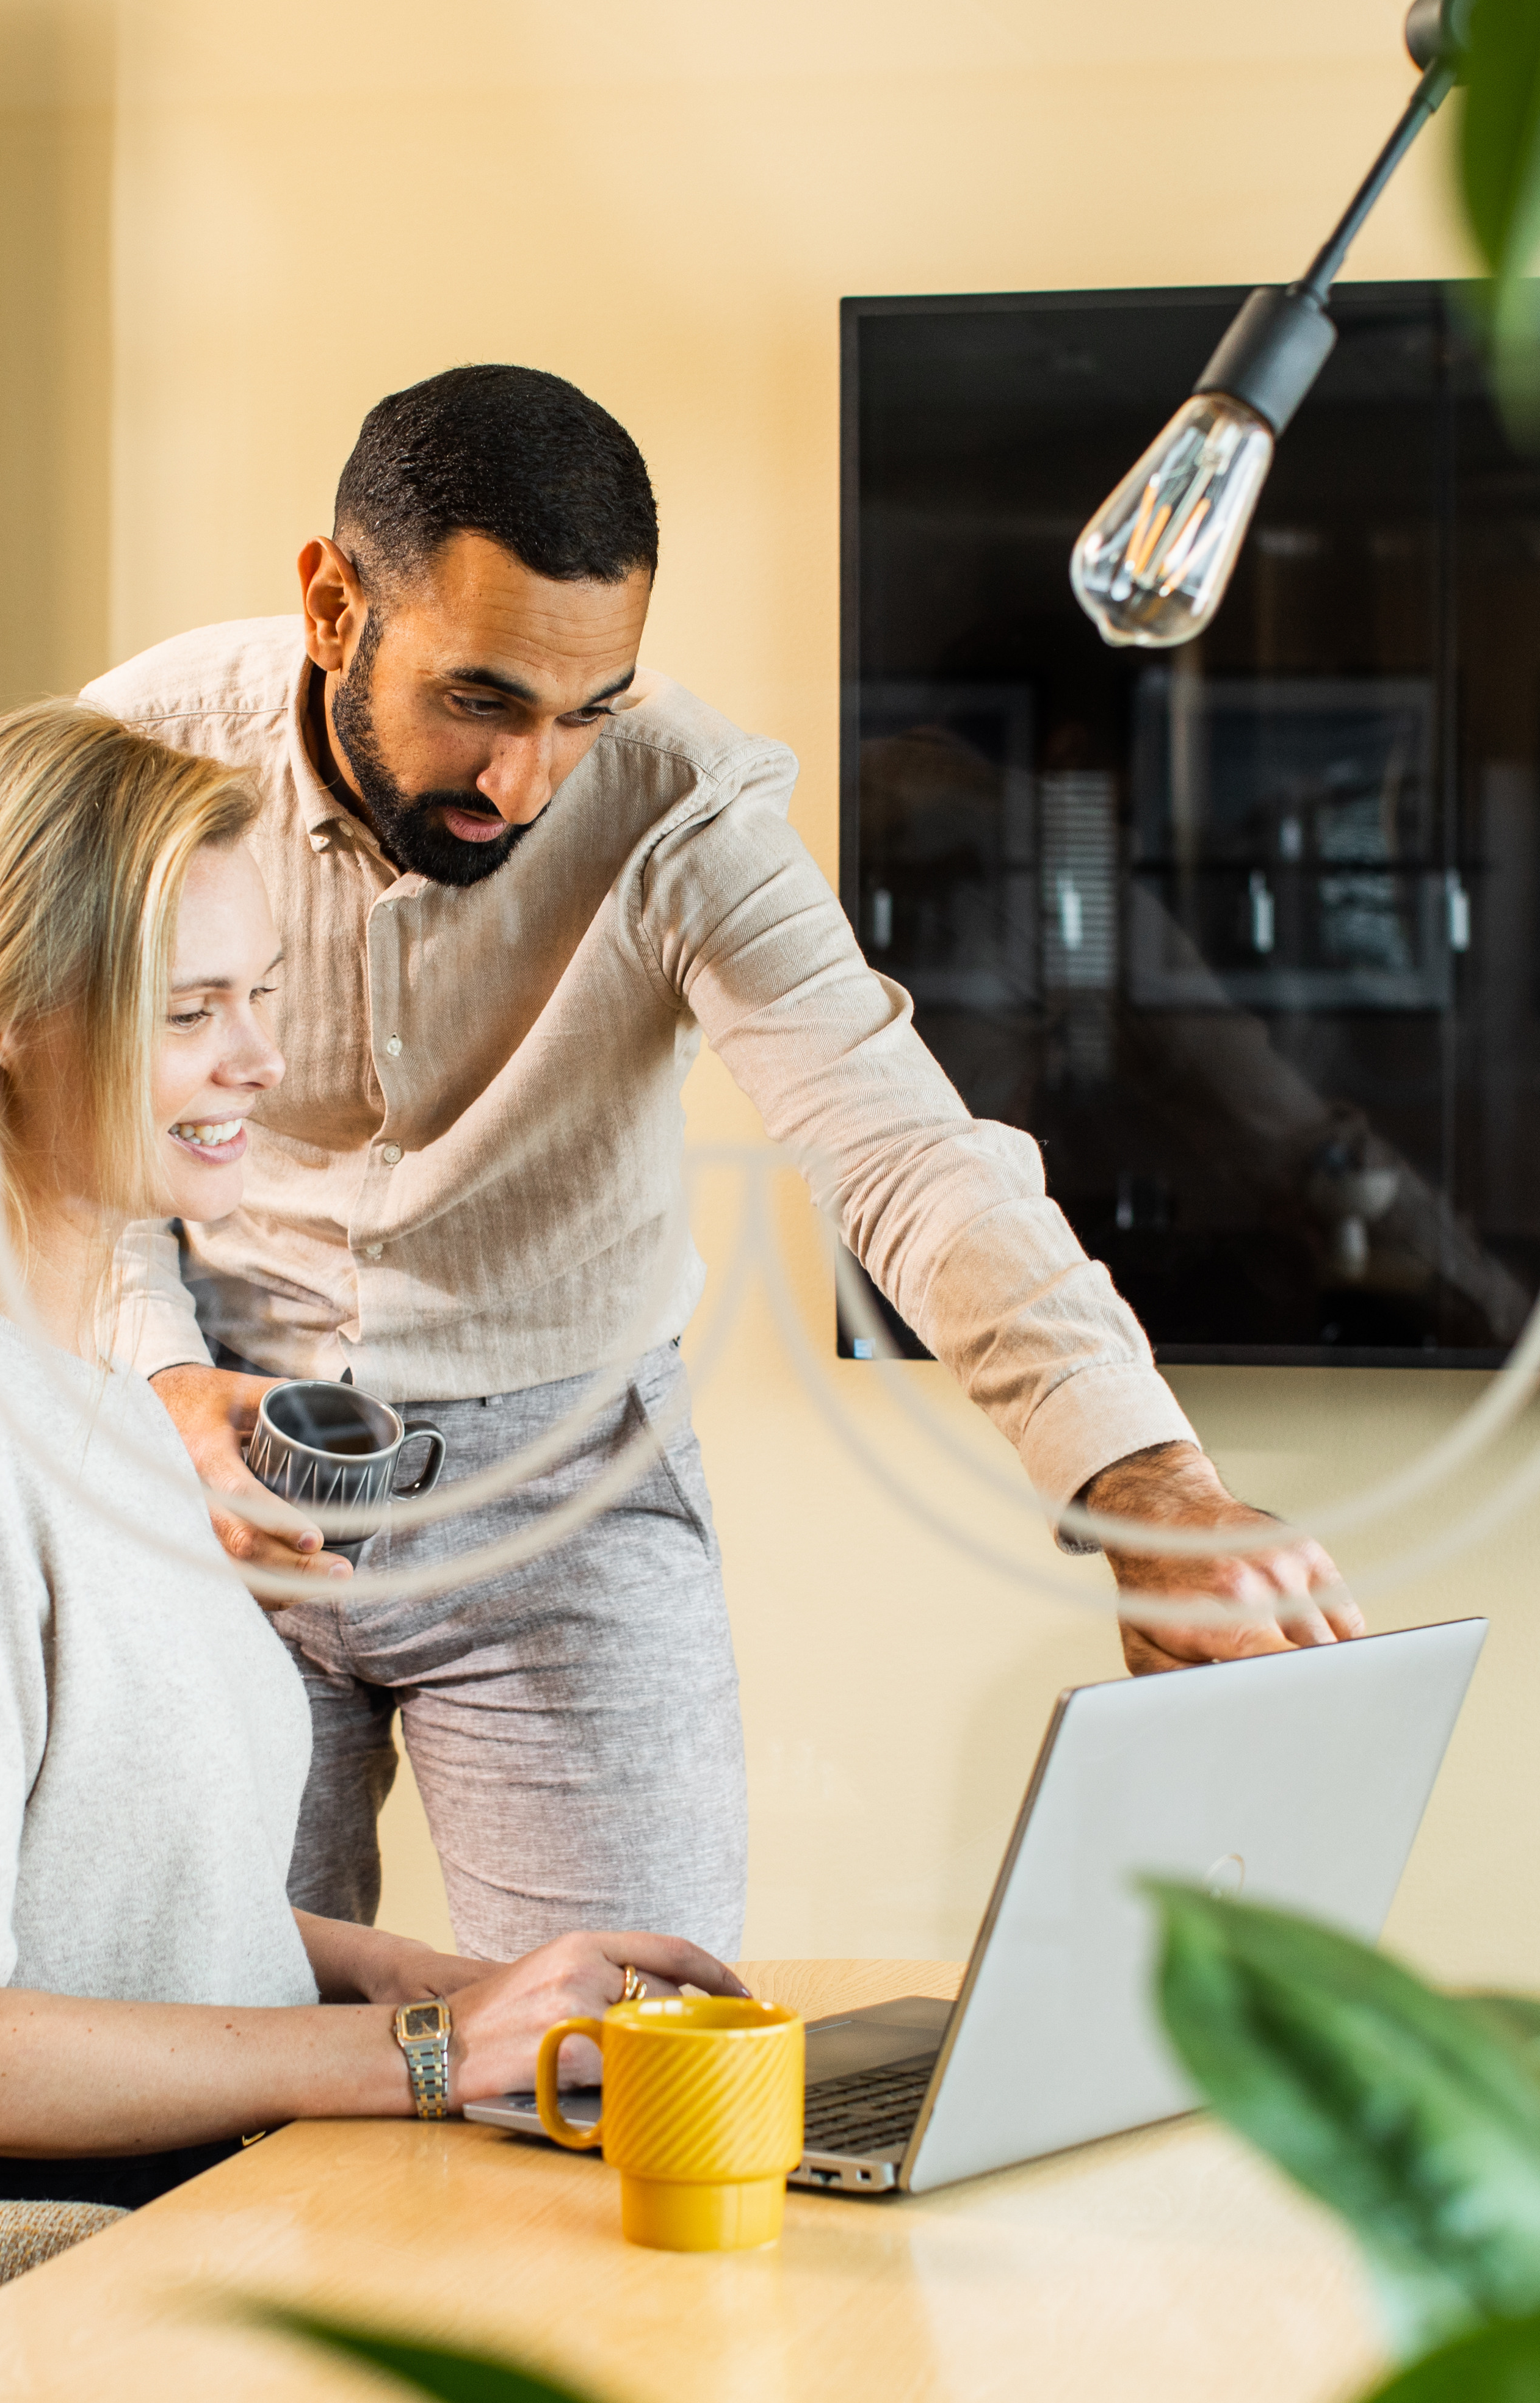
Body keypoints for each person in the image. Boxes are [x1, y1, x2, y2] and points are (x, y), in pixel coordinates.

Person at [82, 366, 1357, 1964]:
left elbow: (897, 1141)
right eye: (478, 699)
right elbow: (41, 1128)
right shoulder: (130, 765)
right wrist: (156, 1380)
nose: (522, 786)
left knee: (634, 2077)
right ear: (333, 606)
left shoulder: (683, 802)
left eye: (583, 714)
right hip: (205, 1461)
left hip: (567, 1489)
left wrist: (1139, 1478)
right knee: (205, 2056)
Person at [0, 702, 736, 2210]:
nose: (259, 1059)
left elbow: (135, 1901)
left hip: (199, 2189)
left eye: (258, 994)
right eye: (189, 1013)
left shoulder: (96, 1392)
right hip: (21, 2262)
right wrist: (430, 2050)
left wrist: (457, 1985)